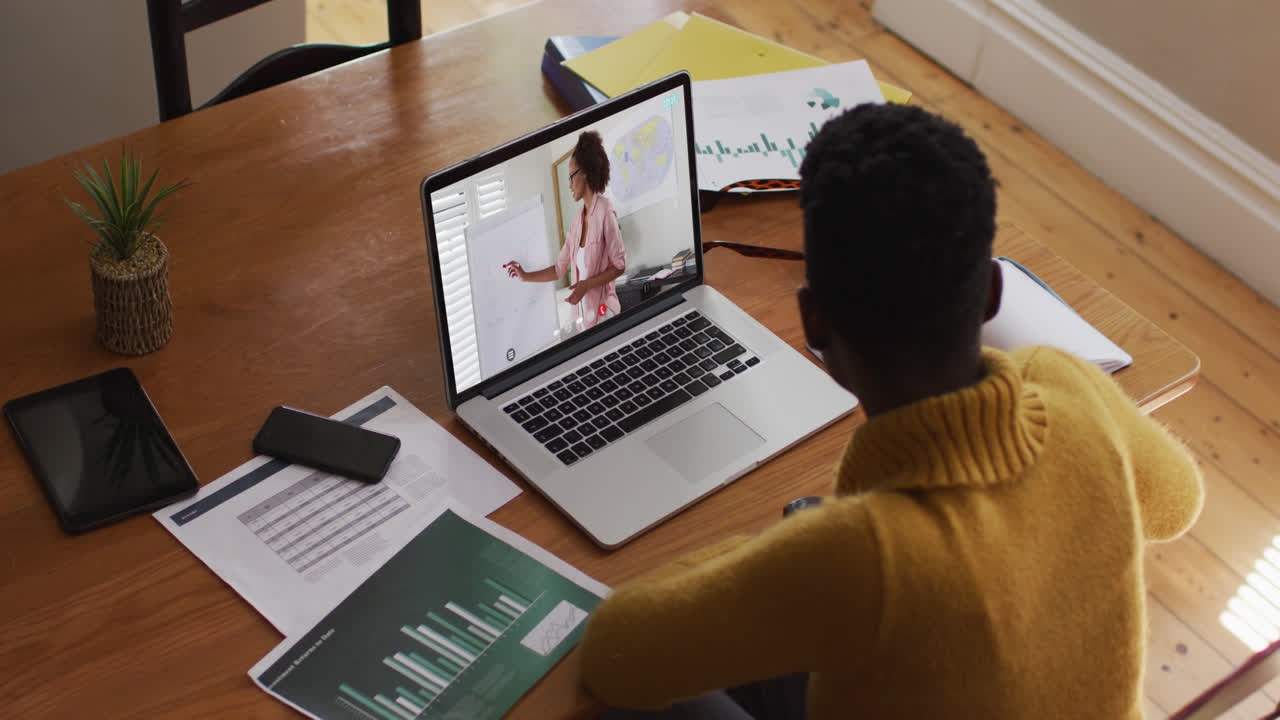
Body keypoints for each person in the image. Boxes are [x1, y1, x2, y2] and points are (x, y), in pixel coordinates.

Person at [577, 104, 1204, 718]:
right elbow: (1177, 503)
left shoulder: (856, 558)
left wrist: (785, 551)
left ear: (814, 321)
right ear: (990, 291)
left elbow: (614, 654)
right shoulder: (1069, 385)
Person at [506, 130, 626, 330]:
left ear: (585, 172)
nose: (569, 184)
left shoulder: (605, 210)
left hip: (606, 317)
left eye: (571, 176)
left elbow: (619, 265)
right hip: (584, 323)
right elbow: (557, 270)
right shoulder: (576, 223)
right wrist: (524, 276)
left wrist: (587, 284)